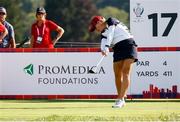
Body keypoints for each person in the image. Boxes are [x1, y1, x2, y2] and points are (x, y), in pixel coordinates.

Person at [89, 16, 138, 108]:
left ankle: (120, 98)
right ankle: (121, 98)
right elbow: (103, 44)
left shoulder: (111, 20)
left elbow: (111, 33)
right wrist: (103, 49)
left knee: (125, 71)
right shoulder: (103, 34)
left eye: (95, 28)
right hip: (117, 48)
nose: (96, 30)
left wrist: (107, 45)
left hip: (128, 44)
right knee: (117, 74)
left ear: (99, 22)